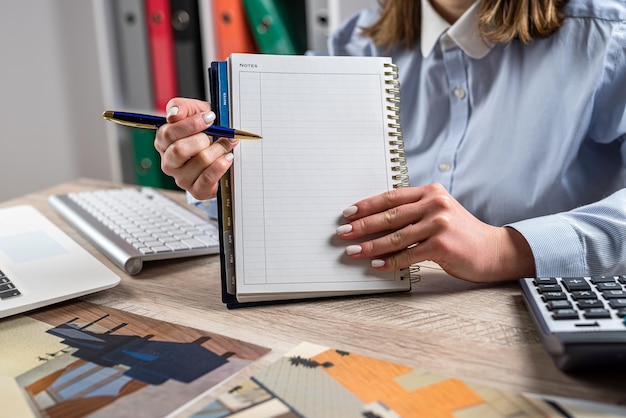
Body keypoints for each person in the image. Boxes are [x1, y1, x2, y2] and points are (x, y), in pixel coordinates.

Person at [154, 0, 626, 283]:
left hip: (530, 325)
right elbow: (293, 179)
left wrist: (506, 249)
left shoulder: (607, 37)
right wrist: (218, 173)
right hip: (373, 318)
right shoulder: (353, 43)